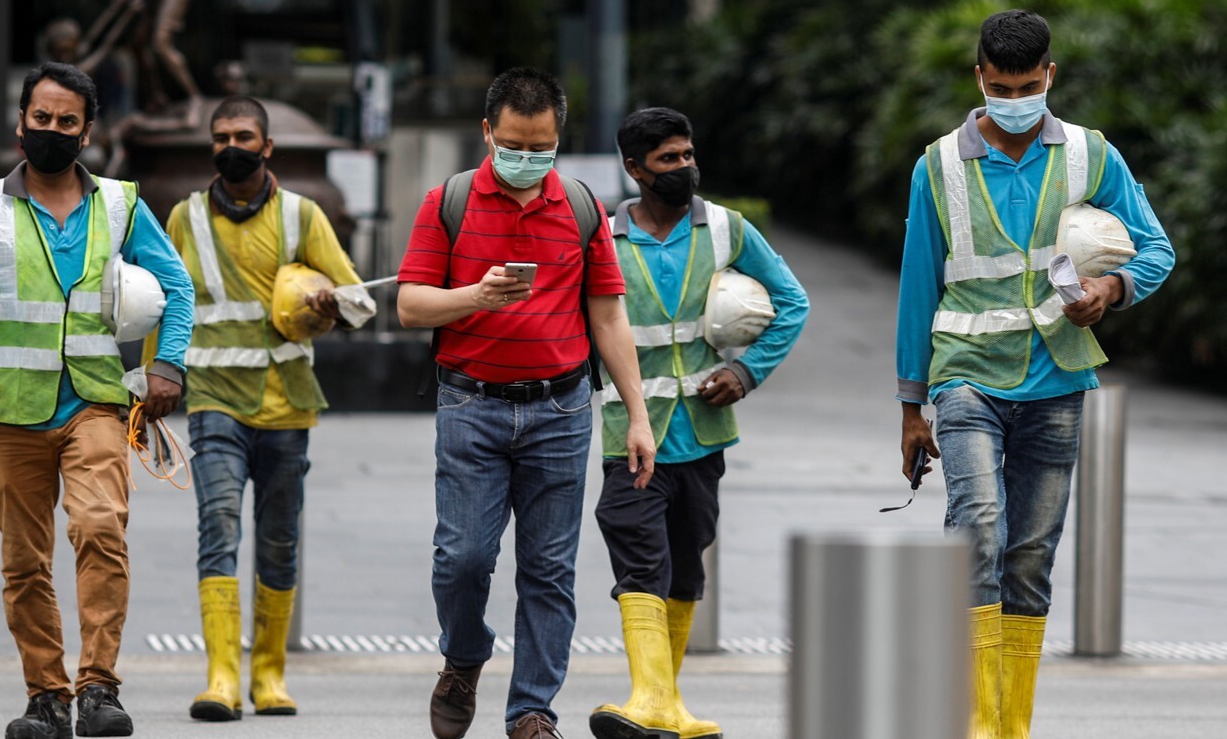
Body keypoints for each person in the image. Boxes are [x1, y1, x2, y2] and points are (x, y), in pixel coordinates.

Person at [895, 10, 1175, 739]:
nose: (1012, 100)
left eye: (1025, 85)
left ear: (1049, 75)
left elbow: (1155, 249)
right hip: (965, 378)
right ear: (978, 77)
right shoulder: (939, 166)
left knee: (1028, 560)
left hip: (1057, 381)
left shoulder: (1091, 155)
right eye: (998, 86)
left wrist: (1109, 292)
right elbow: (918, 286)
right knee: (978, 528)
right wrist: (909, 405)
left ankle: (1007, 726)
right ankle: (972, 724)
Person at [397, 67, 656, 739]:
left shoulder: (579, 207)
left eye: (542, 149)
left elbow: (608, 319)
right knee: (463, 559)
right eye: (515, 145)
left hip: (562, 411)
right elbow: (409, 304)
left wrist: (637, 413)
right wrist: (474, 297)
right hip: (471, 405)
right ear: (487, 133)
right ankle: (464, 656)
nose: (528, 160)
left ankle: (532, 711)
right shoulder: (447, 202)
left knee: (548, 569)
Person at [0, 61, 195, 738]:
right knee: (24, 561)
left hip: (94, 402)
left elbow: (178, 286)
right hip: (8, 407)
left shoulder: (120, 205)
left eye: (66, 122)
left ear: (86, 134)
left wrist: (166, 365)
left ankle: (99, 688)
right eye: (41, 119)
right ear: (20, 125)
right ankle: (45, 696)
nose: (51, 130)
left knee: (100, 529)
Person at [141, 95, 373, 722]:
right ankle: (221, 676)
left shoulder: (304, 215)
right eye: (220, 137)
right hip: (215, 401)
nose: (231, 145)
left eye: (243, 135)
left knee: (277, 540)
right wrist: (148, 385)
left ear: (268, 147)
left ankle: (268, 676)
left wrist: (331, 302)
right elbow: (160, 304)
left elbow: (361, 301)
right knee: (217, 524)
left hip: (287, 407)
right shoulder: (184, 219)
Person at [589, 107, 810, 739]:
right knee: (638, 558)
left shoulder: (727, 230)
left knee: (686, 566)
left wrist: (746, 372)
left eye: (687, 155)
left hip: (703, 438)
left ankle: (667, 703)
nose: (684, 168)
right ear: (634, 169)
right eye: (668, 160)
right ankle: (650, 698)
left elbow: (793, 302)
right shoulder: (602, 238)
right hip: (629, 435)